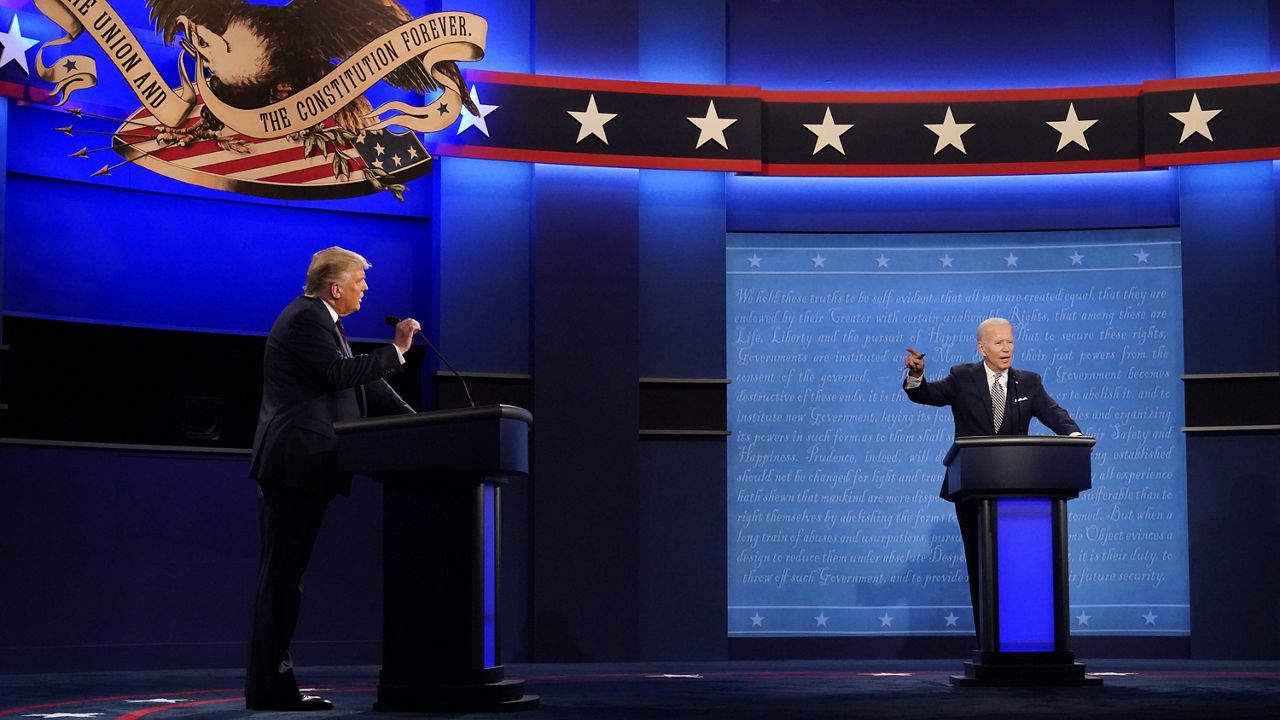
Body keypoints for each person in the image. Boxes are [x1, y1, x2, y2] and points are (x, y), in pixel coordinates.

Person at [245, 246, 418, 711]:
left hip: (306, 467)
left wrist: (420, 422)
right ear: (335, 287)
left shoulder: (328, 325)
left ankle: (274, 685)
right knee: (282, 579)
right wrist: (397, 351)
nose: (366, 288)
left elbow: (364, 384)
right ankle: (270, 688)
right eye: (360, 280)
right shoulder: (305, 318)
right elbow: (341, 374)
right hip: (293, 464)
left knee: (287, 578)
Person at [902, 317, 1081, 634]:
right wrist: (916, 376)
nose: (1006, 348)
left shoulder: (1029, 382)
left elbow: (1054, 413)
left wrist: (1075, 436)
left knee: (1017, 567)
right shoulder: (962, 377)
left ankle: (1024, 635)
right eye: (998, 342)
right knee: (981, 564)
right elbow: (927, 395)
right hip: (972, 487)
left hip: (1019, 491)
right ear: (982, 347)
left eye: (1010, 341)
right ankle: (988, 636)